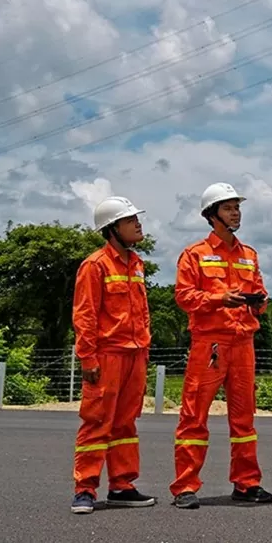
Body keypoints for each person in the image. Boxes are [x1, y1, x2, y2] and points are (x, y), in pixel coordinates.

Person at [169, 182, 272, 509]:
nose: (236, 212)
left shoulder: (249, 255)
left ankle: (246, 484)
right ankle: (185, 487)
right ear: (212, 214)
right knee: (194, 416)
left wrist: (259, 304)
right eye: (229, 207)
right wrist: (219, 299)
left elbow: (258, 292)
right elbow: (184, 296)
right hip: (210, 344)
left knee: (244, 419)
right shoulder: (194, 255)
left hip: (244, 343)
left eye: (237, 207)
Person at [71, 196, 157, 514]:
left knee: (125, 424)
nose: (138, 223)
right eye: (130, 219)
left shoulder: (136, 264)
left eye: (137, 218)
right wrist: (88, 358)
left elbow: (143, 313)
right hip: (106, 356)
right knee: (97, 422)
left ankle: (122, 485)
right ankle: (85, 489)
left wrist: (145, 350)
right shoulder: (95, 265)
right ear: (112, 228)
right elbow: (85, 315)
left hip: (135, 356)